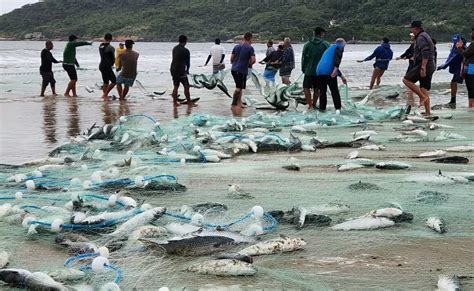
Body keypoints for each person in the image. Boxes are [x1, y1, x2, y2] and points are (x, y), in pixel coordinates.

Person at [402, 21, 436, 116]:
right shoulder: (425, 35)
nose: (411, 30)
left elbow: (425, 52)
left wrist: (423, 67)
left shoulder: (421, 37)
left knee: (406, 80)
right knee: (423, 88)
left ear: (416, 28)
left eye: (411, 28)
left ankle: (421, 97)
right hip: (431, 64)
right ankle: (428, 112)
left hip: (424, 64)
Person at [316, 38, 348, 113]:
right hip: (329, 71)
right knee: (334, 91)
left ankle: (322, 109)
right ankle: (338, 109)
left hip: (319, 71)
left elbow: (328, 62)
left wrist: (341, 76)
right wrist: (335, 69)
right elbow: (336, 59)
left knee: (322, 92)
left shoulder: (329, 49)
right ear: (342, 44)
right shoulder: (338, 48)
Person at [301, 26, 329, 109]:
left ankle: (310, 105)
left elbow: (304, 58)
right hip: (320, 71)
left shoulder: (307, 44)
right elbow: (329, 57)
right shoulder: (325, 44)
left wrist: (303, 68)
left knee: (306, 87)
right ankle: (314, 104)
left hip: (309, 70)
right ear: (321, 33)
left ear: (314, 33)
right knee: (317, 88)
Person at [435, 34, 466, 108]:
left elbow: (453, 58)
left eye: (457, 42)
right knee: (454, 83)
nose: (455, 43)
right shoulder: (456, 48)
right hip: (463, 68)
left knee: (470, 84)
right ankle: (453, 100)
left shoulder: (462, 48)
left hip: (467, 68)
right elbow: (451, 56)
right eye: (454, 42)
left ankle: (469, 103)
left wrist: (444, 66)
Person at [230, 32, 256, 108]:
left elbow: (231, 59)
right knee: (238, 88)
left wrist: (235, 64)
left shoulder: (236, 46)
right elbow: (253, 60)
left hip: (234, 69)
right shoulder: (250, 48)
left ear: (243, 38)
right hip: (241, 70)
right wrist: (248, 64)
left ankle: (239, 102)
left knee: (240, 87)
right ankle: (234, 104)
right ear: (250, 39)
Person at [170, 35, 194, 106]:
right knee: (186, 86)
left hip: (173, 69)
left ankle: (175, 103)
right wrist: (187, 71)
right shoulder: (186, 51)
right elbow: (188, 63)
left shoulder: (174, 48)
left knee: (175, 86)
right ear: (186, 41)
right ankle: (189, 103)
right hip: (181, 71)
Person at [396, 33, 416, 113]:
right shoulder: (413, 44)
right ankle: (410, 92)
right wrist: (401, 57)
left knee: (408, 79)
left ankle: (411, 95)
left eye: (411, 36)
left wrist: (407, 57)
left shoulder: (417, 44)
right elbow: (407, 52)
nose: (410, 37)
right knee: (408, 79)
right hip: (411, 64)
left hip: (414, 64)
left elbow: (415, 54)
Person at [456, 28, 474, 107]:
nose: (470, 34)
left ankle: (471, 104)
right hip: (472, 66)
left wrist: (459, 47)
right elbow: (468, 52)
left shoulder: (473, 44)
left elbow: (465, 54)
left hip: (471, 66)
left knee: (471, 85)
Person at [99, 33, 116, 99]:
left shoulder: (100, 46)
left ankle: (105, 95)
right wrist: (112, 65)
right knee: (114, 81)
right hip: (107, 66)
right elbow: (113, 58)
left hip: (101, 65)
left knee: (106, 82)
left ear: (104, 38)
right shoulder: (111, 48)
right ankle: (105, 95)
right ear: (111, 39)